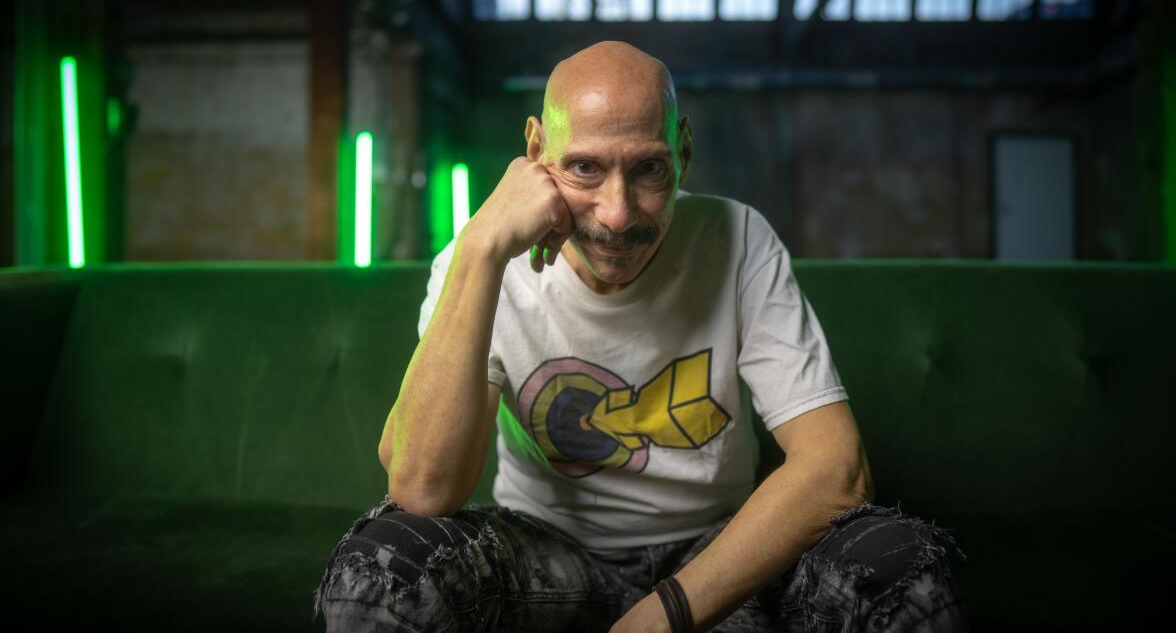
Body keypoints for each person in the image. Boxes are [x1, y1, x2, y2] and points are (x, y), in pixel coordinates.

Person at [315, 41, 965, 632]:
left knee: (904, 578)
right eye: (584, 169)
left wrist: (666, 614)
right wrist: (482, 247)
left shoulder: (738, 240)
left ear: (683, 151)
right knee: (380, 576)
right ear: (536, 151)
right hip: (545, 550)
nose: (617, 213)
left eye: (649, 170)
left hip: (716, 548)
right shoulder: (478, 261)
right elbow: (425, 488)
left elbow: (837, 469)